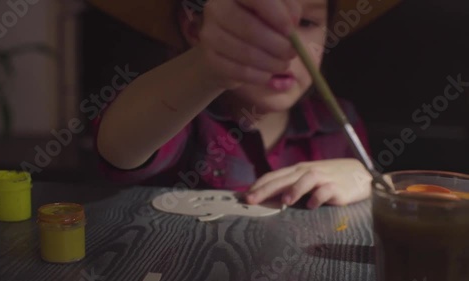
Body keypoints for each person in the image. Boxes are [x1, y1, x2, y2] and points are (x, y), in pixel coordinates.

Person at [89, 0, 400, 209]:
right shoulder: (181, 119)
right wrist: (209, 66)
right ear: (195, 29)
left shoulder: (339, 120)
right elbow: (118, 146)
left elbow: (378, 192)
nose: (287, 49)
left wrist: (366, 178)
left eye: (306, 22)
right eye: (258, 25)